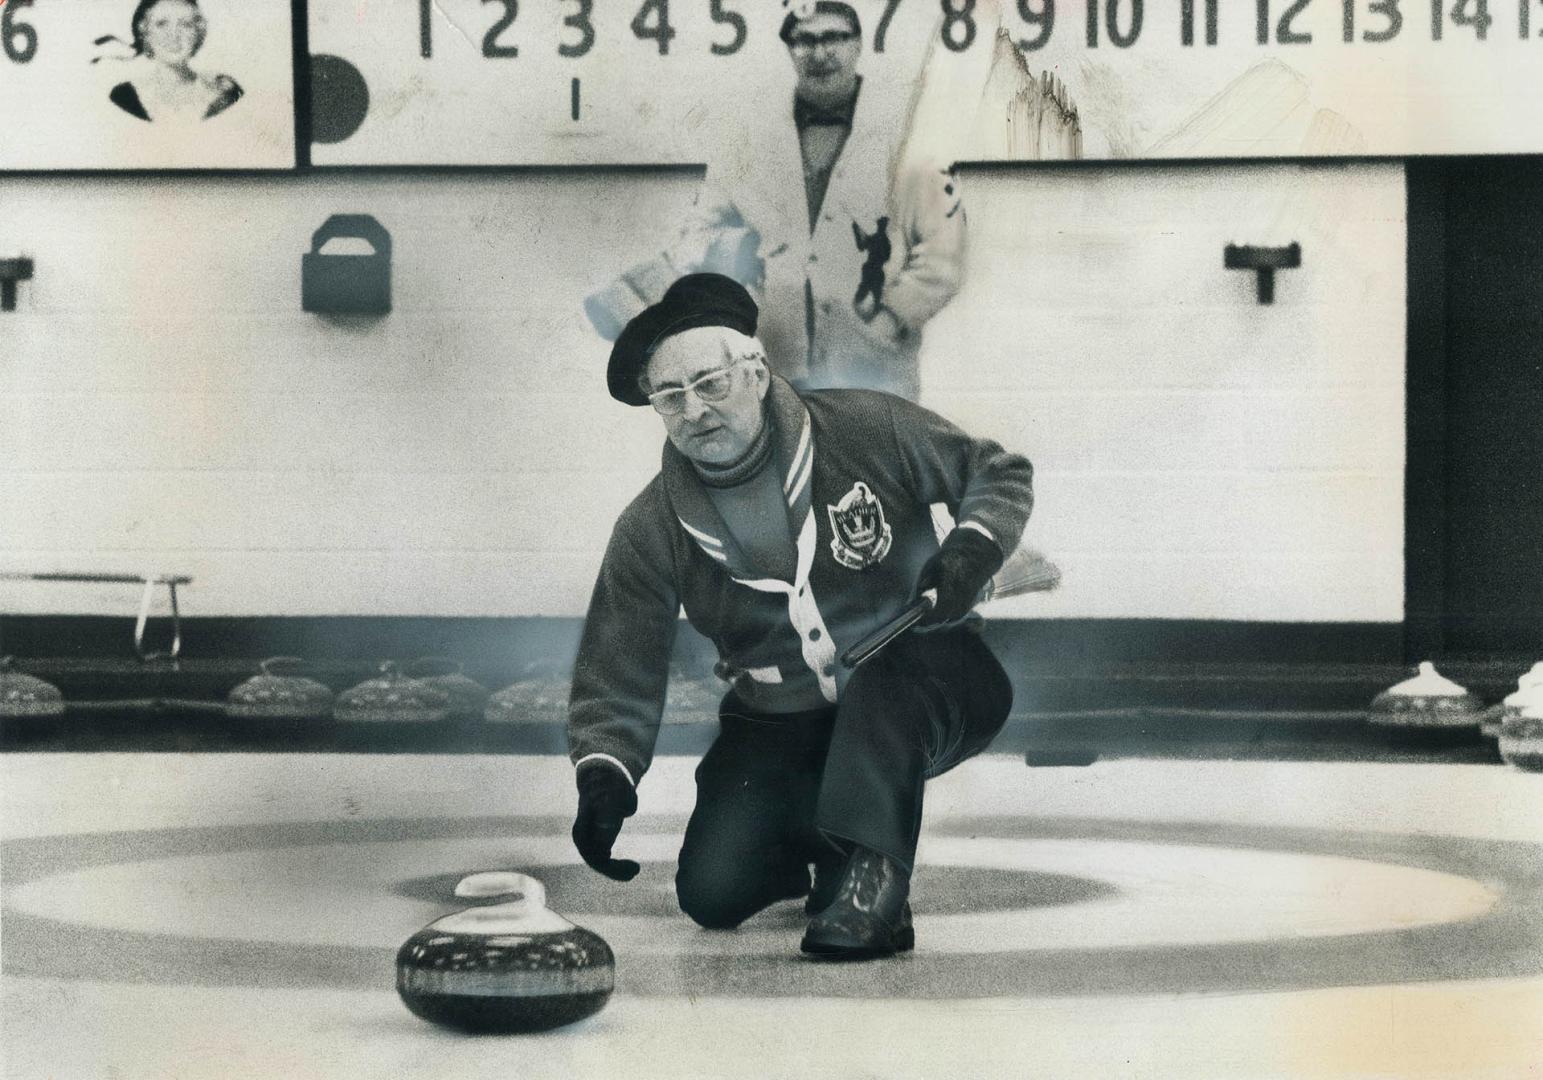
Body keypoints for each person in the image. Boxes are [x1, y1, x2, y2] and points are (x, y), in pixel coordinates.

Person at [566, 273, 1033, 959]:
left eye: (710, 383)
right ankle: (830, 846)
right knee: (712, 894)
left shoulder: (868, 427)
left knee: (882, 684)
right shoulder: (650, 526)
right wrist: (605, 772)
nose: (694, 410)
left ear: (754, 371)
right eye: (670, 397)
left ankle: (877, 887)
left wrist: (970, 552)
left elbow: (998, 471)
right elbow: (618, 662)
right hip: (783, 717)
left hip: (932, 681)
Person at [678, 0, 966, 401]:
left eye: (834, 37)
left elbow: (943, 252)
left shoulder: (906, 130)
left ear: (858, 44)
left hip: (873, 369)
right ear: (789, 49)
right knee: (785, 464)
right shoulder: (749, 135)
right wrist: (744, 298)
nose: (820, 52)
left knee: (874, 462)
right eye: (804, 40)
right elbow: (699, 233)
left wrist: (889, 319)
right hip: (772, 366)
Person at [100, 0, 243, 124]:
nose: (173, 35)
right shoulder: (125, 95)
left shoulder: (224, 93)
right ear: (145, 33)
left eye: (185, 24)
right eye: (161, 24)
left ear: (198, 32)